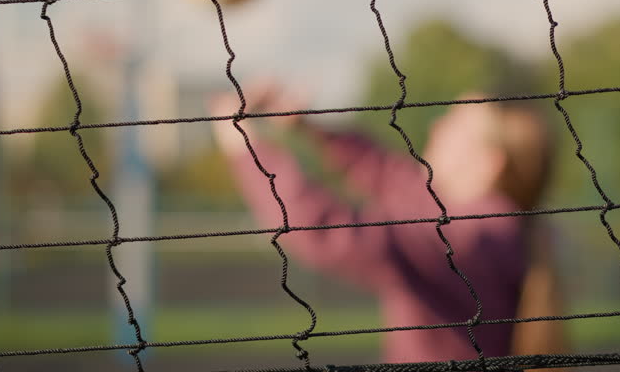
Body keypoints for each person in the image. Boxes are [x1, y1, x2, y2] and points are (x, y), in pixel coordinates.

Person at [210, 85, 565, 364]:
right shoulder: (476, 219)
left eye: (455, 122)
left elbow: (322, 230)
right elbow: (385, 172)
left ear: (489, 163)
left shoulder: (477, 234)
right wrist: (305, 124)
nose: (437, 125)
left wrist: (244, 145)